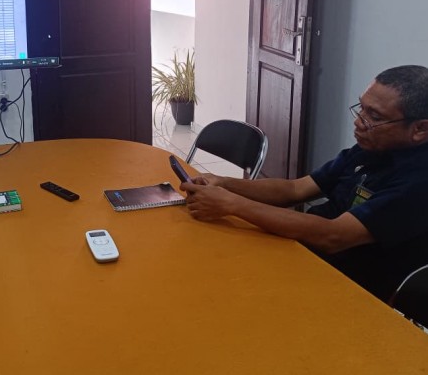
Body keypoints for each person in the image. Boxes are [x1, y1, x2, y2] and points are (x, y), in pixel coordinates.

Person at [181, 65, 428, 301]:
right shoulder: (371, 148)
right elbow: (295, 189)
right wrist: (224, 184)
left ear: (419, 129)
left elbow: (333, 236)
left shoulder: (417, 181)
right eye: (361, 109)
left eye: (374, 116)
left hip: (348, 286)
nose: (359, 121)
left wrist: (232, 205)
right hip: (304, 255)